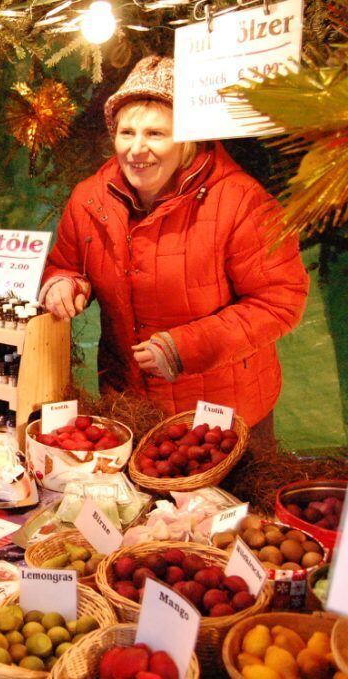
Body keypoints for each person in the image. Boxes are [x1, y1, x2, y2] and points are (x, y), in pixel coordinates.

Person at [41, 55, 309, 432]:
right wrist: (63, 283)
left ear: (188, 139)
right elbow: (67, 263)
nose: (136, 149)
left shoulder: (240, 200)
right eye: (126, 132)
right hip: (130, 404)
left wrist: (186, 348)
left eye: (156, 134)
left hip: (222, 415)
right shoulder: (90, 198)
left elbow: (279, 301)